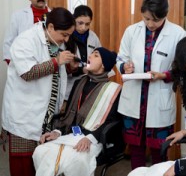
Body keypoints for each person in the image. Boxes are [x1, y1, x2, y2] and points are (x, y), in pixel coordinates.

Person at [1, 7, 76, 176]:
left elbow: (55, 76)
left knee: (43, 165)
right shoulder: (25, 40)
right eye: (64, 34)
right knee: (23, 167)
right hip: (24, 118)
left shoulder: (54, 42)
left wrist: (69, 67)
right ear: (50, 27)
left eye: (69, 35)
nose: (66, 39)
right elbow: (27, 73)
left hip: (46, 117)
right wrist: (57, 62)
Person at [116, 0, 186, 169]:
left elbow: (184, 68)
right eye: (146, 18)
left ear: (165, 15)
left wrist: (165, 75)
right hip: (134, 101)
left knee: (159, 150)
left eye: (156, 19)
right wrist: (125, 67)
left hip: (158, 101)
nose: (150, 23)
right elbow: (120, 58)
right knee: (136, 148)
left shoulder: (178, 34)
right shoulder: (132, 31)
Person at [32, 47, 121, 176]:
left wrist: (90, 138)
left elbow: (110, 121)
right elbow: (69, 115)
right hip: (72, 133)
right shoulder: (80, 82)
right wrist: (57, 131)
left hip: (95, 137)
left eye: (95, 55)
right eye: (91, 54)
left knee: (76, 159)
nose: (89, 56)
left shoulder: (113, 90)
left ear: (103, 65)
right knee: (41, 151)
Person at [2, 0, 50, 64]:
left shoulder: (54, 15)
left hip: (49, 62)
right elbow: (8, 42)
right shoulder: (18, 16)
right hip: (25, 62)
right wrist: (12, 64)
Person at [64, 5, 102, 102]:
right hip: (69, 85)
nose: (83, 27)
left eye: (87, 24)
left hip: (89, 84)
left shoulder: (93, 37)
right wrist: (81, 69)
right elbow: (62, 66)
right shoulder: (66, 36)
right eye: (80, 23)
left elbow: (100, 57)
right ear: (74, 19)